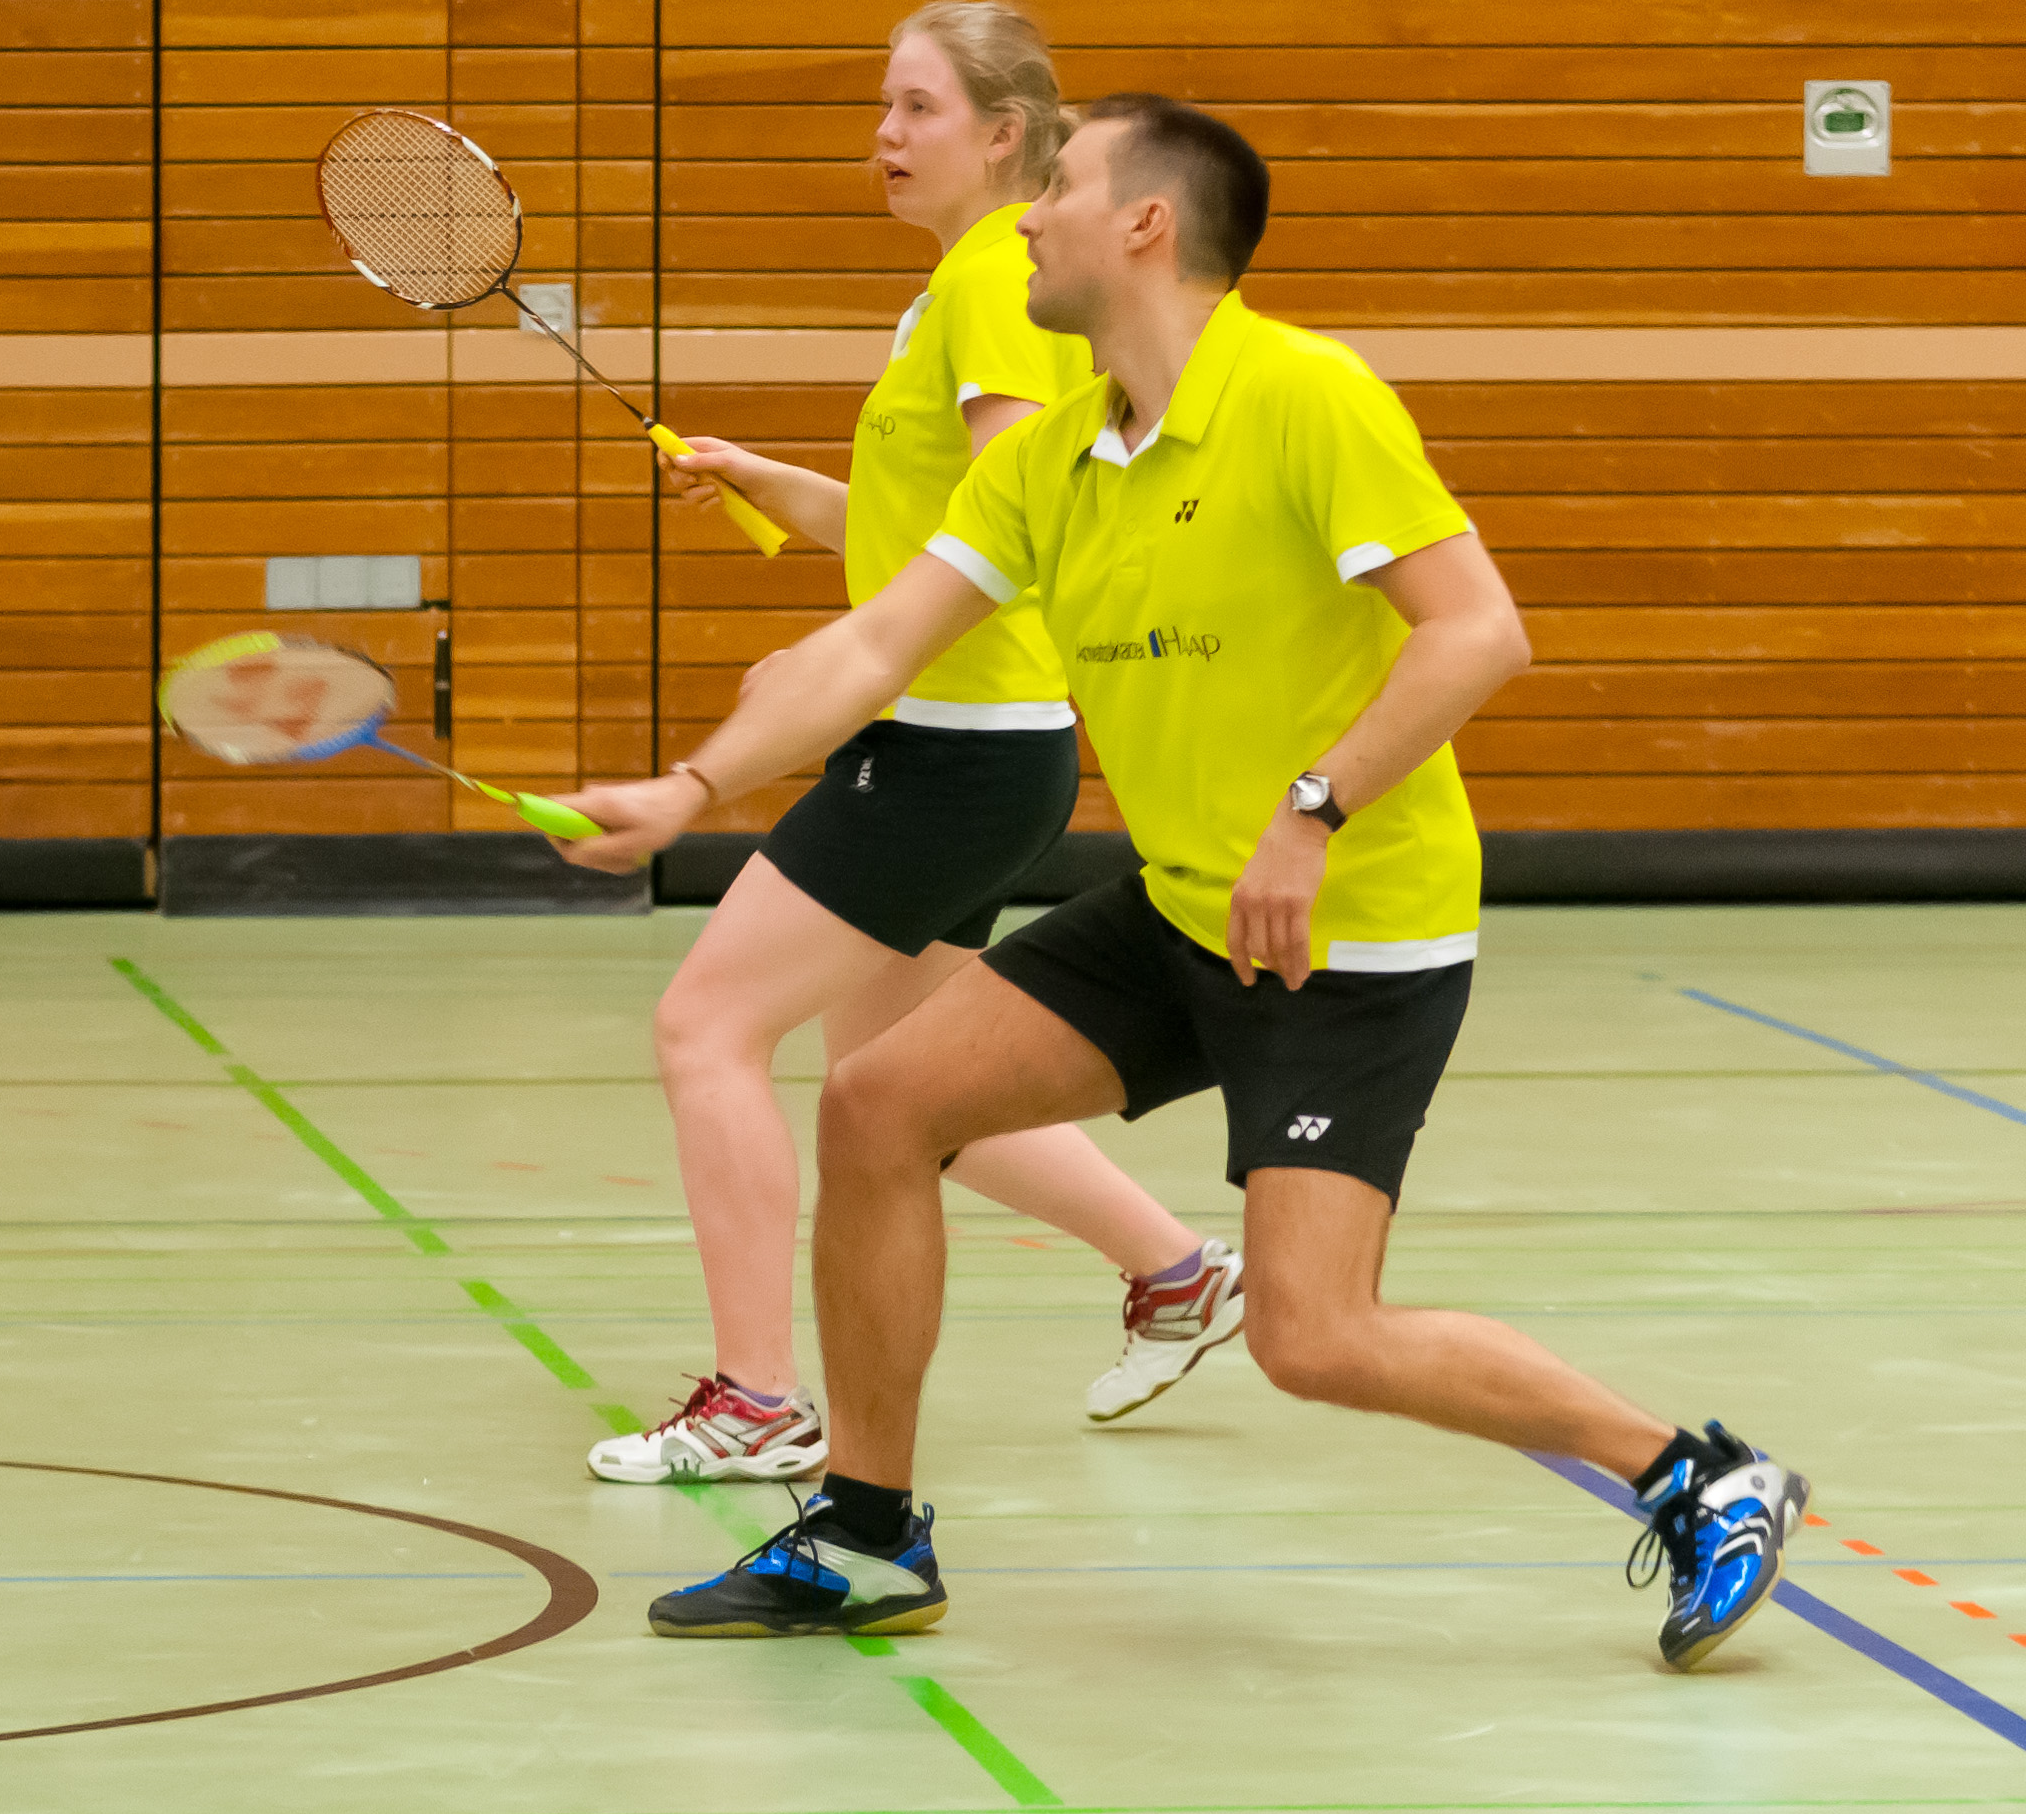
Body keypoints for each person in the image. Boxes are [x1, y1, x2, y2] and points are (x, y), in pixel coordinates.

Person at [556, 94, 1806, 1671]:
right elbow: (870, 643)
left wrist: (1313, 810)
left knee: (1313, 1336)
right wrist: (688, 789)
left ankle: (1694, 1474)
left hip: (1351, 934)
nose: (1029, 216)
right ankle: (864, 1533)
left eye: (1063, 186)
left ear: (1147, 222)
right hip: (1183, 904)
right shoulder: (1055, 458)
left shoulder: (1303, 396)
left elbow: (1479, 630)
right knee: (877, 1104)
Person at [586, 1, 1241, 1491]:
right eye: (882, 107)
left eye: (917, 108)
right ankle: (1179, 1271)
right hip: (983, 745)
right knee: (897, 1080)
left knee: (705, 1028)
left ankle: (758, 1399)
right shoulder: (956, 289)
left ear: (1005, 135)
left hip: (945, 749)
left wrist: (837, 671)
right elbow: (940, 528)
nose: (883, 135)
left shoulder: (995, 283)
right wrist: (769, 482)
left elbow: (1022, 523)